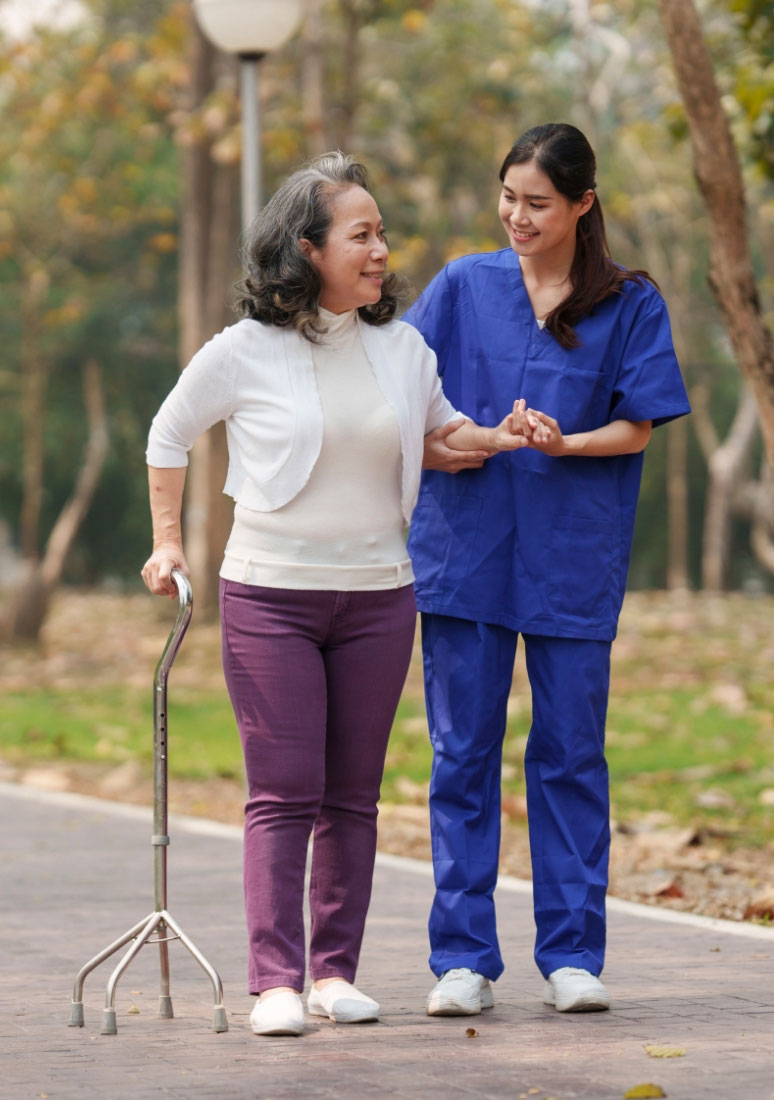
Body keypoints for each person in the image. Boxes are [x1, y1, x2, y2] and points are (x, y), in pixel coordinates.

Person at [141, 152, 526, 1037]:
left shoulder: (401, 348)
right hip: (271, 597)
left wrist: (499, 435)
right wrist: (167, 541)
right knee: (285, 790)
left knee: (354, 793)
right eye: (363, 234)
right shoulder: (244, 350)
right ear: (308, 250)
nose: (383, 249)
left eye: (382, 233)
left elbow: (440, 436)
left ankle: (332, 973)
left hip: (381, 598)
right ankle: (274, 979)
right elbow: (169, 433)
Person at [404, 123, 691, 1017]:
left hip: (572, 551)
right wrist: (449, 447)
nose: (517, 217)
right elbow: (404, 401)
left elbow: (637, 426)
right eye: (509, 199)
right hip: (466, 550)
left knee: (569, 754)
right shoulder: (462, 285)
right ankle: (463, 958)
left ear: (582, 205)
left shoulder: (630, 302)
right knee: (463, 753)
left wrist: (566, 441)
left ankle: (572, 954)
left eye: (537, 203)